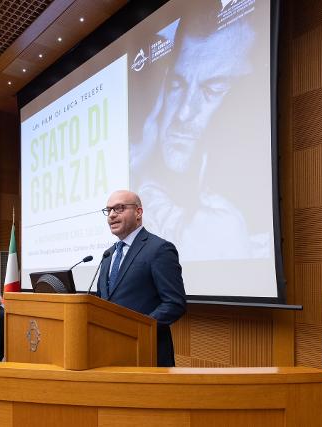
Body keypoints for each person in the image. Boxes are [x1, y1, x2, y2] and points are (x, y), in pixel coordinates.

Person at [130, 2, 265, 261]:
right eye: (177, 85)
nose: (183, 113)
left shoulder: (242, 233)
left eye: (212, 90)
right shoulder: (148, 186)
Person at [96, 190, 186, 367]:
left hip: (146, 353)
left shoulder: (159, 249)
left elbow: (174, 303)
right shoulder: (109, 255)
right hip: (109, 352)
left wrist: (138, 329)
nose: (112, 215)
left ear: (139, 212)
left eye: (119, 208)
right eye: (109, 210)